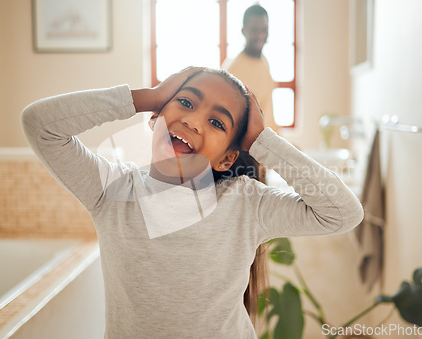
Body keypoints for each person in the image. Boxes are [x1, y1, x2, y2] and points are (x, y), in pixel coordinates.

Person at [21, 67, 363, 338]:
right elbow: (39, 125)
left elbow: (342, 213)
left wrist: (261, 141)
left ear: (227, 158)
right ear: (155, 117)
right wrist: (146, 97)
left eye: (217, 122)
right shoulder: (111, 190)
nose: (193, 120)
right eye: (185, 102)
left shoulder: (246, 203)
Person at [224, 4, 278, 131]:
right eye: (254, 30)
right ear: (244, 31)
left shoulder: (264, 62)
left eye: (264, 30)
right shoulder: (233, 70)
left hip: (269, 140)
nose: (260, 35)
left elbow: (267, 112)